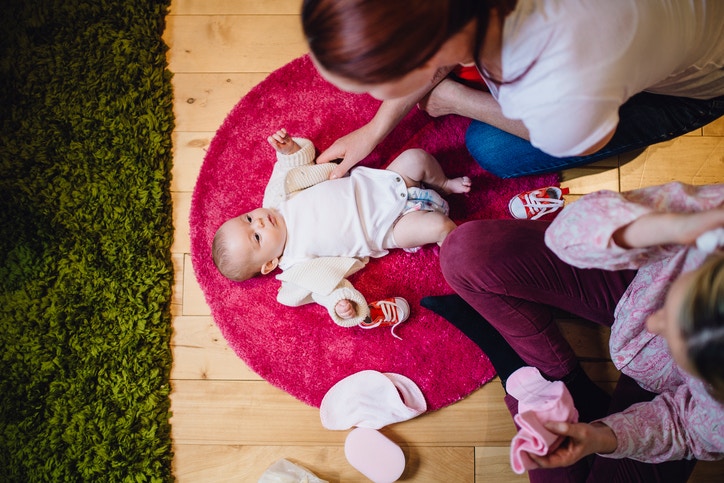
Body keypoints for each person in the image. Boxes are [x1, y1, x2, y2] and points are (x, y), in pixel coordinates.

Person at [421, 181, 724, 481]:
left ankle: (541, 381)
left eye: (675, 341)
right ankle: (557, 378)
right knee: (465, 253)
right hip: (640, 281)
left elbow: (690, 429)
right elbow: (565, 234)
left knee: (554, 456)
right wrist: (674, 226)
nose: (654, 323)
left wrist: (600, 437)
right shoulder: (712, 223)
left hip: (663, 397)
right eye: (670, 306)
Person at [301, 0, 724, 179]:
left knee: (492, 150)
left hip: (699, 84)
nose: (373, 96)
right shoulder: (457, 18)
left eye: (373, 87)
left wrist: (456, 99)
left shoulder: (556, 78)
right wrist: (376, 129)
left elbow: (592, 137)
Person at [212, 128, 471, 328]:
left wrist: (289, 150)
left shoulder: (277, 200)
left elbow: (290, 170)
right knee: (439, 226)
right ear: (268, 264)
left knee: (416, 157)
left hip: (384, 183)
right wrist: (340, 305)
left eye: (248, 218)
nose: (258, 222)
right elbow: (325, 288)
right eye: (256, 237)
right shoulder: (295, 265)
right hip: (387, 228)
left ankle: (444, 183)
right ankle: (457, 249)